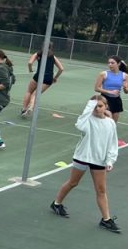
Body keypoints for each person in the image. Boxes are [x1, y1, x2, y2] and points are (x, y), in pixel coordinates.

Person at [49, 95, 120, 233]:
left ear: (106, 107)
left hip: (99, 160)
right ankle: (56, 204)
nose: (97, 109)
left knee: (101, 190)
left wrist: (110, 160)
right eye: (95, 106)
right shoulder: (86, 121)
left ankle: (106, 220)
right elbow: (79, 124)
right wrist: (91, 104)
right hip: (83, 157)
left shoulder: (110, 123)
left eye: (100, 106)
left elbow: (113, 143)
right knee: (73, 183)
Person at [19, 44, 65, 115]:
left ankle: (24, 108)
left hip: (38, 76)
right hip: (48, 78)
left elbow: (30, 63)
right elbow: (61, 69)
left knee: (29, 91)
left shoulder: (38, 54)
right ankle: (31, 107)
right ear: (51, 48)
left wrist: (30, 70)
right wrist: (55, 77)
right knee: (35, 94)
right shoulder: (53, 56)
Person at [94, 55, 128, 123]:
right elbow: (96, 88)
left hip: (116, 101)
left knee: (113, 123)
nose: (110, 64)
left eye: (112, 63)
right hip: (104, 100)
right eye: (109, 63)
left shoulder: (125, 76)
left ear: (118, 64)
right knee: (104, 122)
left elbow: (127, 91)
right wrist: (109, 92)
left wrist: (125, 88)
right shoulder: (103, 74)